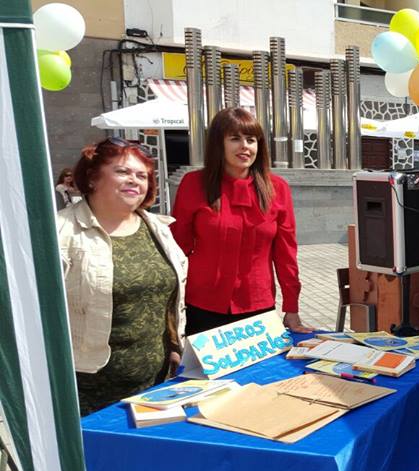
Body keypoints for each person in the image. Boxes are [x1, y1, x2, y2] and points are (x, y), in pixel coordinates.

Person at [58, 138, 187, 415]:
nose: (134, 181)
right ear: (92, 177)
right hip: (87, 394)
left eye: (142, 175)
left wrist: (175, 344)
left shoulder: (158, 227)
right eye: (122, 171)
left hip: (157, 385)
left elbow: (169, 299)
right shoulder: (60, 233)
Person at [171, 107, 314, 335]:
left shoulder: (277, 189)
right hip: (202, 304)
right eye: (235, 139)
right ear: (219, 143)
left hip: (257, 304)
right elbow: (178, 248)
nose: (245, 146)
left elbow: (286, 253)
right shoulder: (194, 183)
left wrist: (292, 306)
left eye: (251, 139)